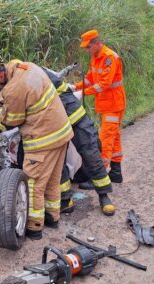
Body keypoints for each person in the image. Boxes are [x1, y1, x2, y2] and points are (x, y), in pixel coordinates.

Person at [0, 57, 73, 240]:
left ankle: (34, 227)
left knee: (33, 183)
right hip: (61, 133)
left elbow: (12, 119)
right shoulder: (25, 66)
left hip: (43, 140)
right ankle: (53, 218)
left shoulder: (14, 89)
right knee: (52, 180)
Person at [42, 67, 115, 216]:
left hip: (73, 115)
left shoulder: (34, 75)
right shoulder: (18, 81)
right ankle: (65, 200)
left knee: (91, 153)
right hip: (53, 123)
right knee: (57, 160)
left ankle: (104, 196)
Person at [71, 29, 126, 183]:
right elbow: (89, 79)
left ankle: (98, 176)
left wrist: (83, 93)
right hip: (106, 104)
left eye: (88, 47)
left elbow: (104, 84)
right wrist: (75, 88)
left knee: (105, 140)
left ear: (97, 43)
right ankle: (116, 173)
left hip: (113, 104)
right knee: (114, 137)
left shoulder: (109, 57)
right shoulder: (96, 57)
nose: (87, 50)